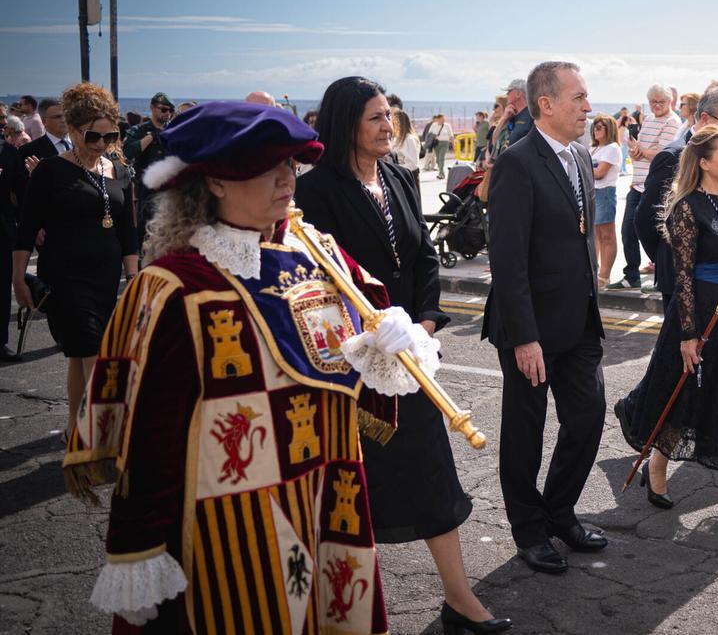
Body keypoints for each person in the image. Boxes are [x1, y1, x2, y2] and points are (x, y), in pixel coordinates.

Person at [62, 101, 431, 634]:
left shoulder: (317, 252)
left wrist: (392, 331)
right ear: (215, 181)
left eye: (291, 167)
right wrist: (138, 543)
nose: (288, 181)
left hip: (324, 488)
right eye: (269, 169)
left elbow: (363, 341)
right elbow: (152, 431)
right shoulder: (177, 287)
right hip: (231, 513)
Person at [295, 77, 509, 633]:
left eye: (390, 114)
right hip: (350, 369)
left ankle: (460, 600)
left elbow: (421, 262)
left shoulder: (397, 175)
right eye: (374, 117)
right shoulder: (316, 191)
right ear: (346, 125)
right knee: (346, 495)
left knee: (434, 474)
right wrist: (367, 335)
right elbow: (318, 281)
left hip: (407, 364)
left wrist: (424, 325)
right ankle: (336, 610)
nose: (387, 125)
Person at [615, 125, 718, 516]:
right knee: (686, 391)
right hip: (700, 309)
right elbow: (684, 274)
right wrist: (688, 334)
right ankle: (657, 465)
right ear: (704, 162)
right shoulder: (688, 207)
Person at [482, 61, 607, 575]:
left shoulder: (579, 155)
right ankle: (529, 530)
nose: (588, 107)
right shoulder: (516, 163)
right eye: (578, 97)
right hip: (529, 327)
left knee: (588, 416)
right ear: (546, 104)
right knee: (525, 432)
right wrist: (525, 338)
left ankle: (559, 511)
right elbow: (507, 260)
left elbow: (580, 236)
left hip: (578, 323)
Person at [13, 82, 138, 432]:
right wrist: (18, 277)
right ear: (73, 130)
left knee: (80, 353)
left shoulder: (119, 172)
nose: (101, 145)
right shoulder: (51, 171)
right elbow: (26, 230)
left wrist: (132, 278)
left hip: (106, 277)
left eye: (109, 137)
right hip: (65, 276)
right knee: (93, 350)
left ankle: (74, 422)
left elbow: (128, 232)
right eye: (92, 137)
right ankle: (102, 431)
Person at [635, 86, 718, 306]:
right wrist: (668, 259)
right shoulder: (673, 157)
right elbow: (646, 219)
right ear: (705, 118)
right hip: (685, 284)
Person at [610, 85, 681, 290]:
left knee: (655, 232)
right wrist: (636, 151)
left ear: (669, 102)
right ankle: (631, 274)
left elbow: (662, 153)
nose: (657, 106)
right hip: (637, 182)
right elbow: (638, 148)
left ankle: (662, 275)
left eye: (661, 102)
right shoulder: (648, 119)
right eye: (653, 102)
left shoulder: (672, 121)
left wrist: (640, 151)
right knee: (627, 230)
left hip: (654, 186)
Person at [122, 91, 176, 247]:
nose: (168, 114)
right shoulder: (138, 131)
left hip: (169, 191)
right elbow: (128, 153)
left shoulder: (173, 132)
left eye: (170, 111)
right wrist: (151, 136)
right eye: (163, 109)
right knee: (145, 235)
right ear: (152, 108)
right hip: (145, 191)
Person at [590, 113, 622, 286]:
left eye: (600, 126)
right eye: (594, 126)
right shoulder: (593, 148)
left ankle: (604, 275)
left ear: (608, 129)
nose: (595, 129)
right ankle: (594, 271)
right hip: (593, 193)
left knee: (607, 235)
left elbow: (600, 173)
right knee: (595, 235)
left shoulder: (612, 148)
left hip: (605, 193)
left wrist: (585, 167)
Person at [0, 138, 21, 361]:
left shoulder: (9, 152)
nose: (2, 122)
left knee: (2, 288)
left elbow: (21, 190)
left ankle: (1, 342)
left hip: (3, 231)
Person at [493, 79, 533, 155]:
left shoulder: (531, 115)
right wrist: (504, 119)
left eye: (509, 91)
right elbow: (494, 141)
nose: (506, 94)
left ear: (518, 93)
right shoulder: (511, 116)